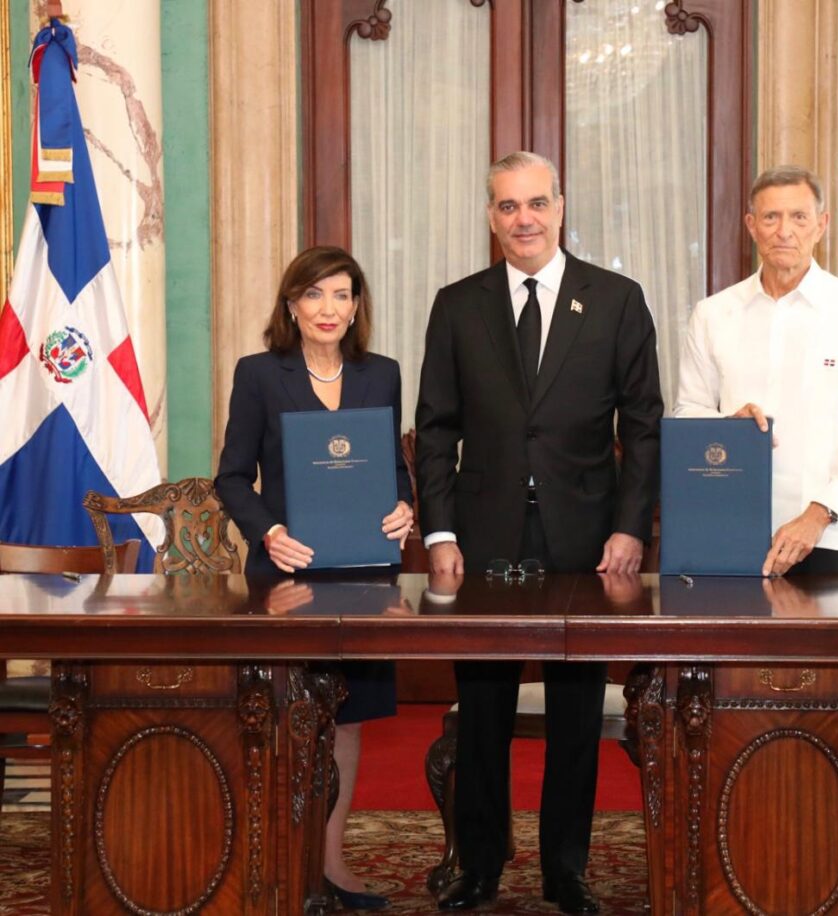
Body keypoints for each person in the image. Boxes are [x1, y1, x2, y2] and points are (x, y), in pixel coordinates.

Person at [415, 151, 662, 913]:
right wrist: (439, 534)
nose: (523, 218)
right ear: (491, 217)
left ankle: (567, 869)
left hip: (585, 542)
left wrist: (630, 531)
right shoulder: (458, 304)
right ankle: (481, 864)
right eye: (506, 206)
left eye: (535, 203)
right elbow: (433, 431)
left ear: (560, 205)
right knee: (483, 708)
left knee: (577, 711)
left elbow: (644, 427)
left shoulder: (617, 299)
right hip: (482, 541)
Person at [215, 245, 414, 911]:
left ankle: (330, 860)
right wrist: (268, 530)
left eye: (342, 295)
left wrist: (404, 506)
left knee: (348, 721)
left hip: (363, 572)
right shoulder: (260, 375)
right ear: (292, 305)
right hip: (286, 575)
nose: (329, 308)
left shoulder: (380, 374)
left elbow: (392, 469)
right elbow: (232, 477)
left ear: (357, 306)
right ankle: (272, 855)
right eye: (315, 295)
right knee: (282, 715)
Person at [674, 165, 838, 576]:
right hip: (728, 531)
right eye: (770, 217)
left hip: (825, 539)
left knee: (820, 645)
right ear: (751, 226)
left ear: (821, 225)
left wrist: (819, 513)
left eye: (799, 217)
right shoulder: (713, 314)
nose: (784, 231)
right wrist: (726, 424)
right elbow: (687, 413)